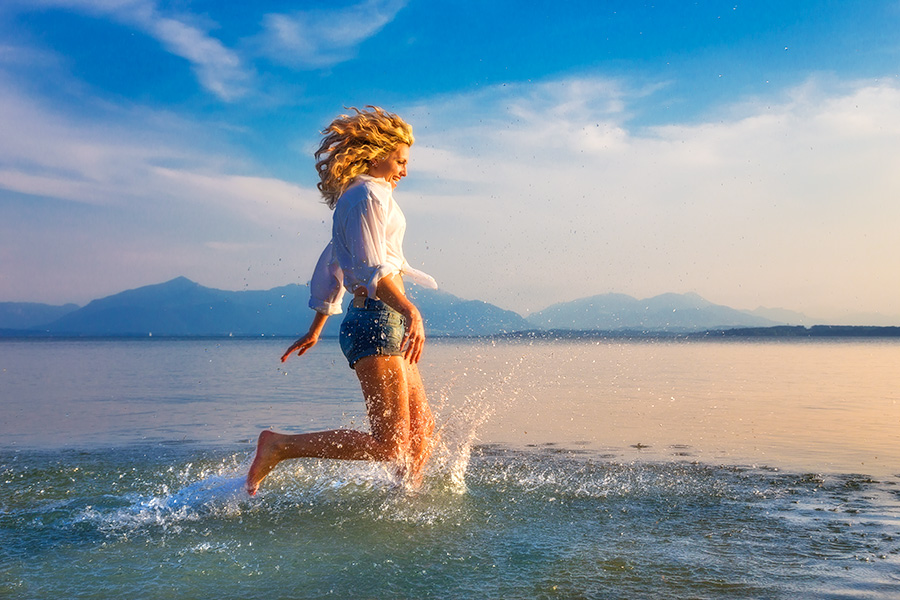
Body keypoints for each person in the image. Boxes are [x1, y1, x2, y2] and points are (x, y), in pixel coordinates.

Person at [246, 106, 438, 495]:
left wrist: (317, 326)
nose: (405, 170)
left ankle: (406, 506)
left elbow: (333, 262)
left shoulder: (366, 196)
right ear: (377, 153)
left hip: (384, 319)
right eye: (400, 160)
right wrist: (411, 310)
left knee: (422, 432)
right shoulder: (366, 194)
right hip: (377, 321)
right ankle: (279, 446)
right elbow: (368, 269)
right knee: (392, 444)